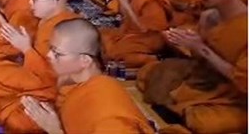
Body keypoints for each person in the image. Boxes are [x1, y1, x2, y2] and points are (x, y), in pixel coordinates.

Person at [136, 0, 247, 134]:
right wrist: (185, 42)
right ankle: (179, 108)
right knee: (149, 73)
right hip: (202, 79)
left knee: (206, 124)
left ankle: (180, 110)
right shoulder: (208, 17)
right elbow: (198, 60)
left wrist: (200, 47)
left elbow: (244, 81)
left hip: (233, 94)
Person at [22, 19, 155, 134]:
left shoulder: (107, 114)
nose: (48, 55)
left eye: (57, 53)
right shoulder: (77, 83)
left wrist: (54, 130)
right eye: (50, 48)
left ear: (84, 60)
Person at [0, 0, 79, 132]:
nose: (29, 3)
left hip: (50, 87)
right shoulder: (43, 20)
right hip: (36, 75)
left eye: (35, 0)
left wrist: (26, 49)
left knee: (15, 116)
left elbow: (53, 75)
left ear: (53, 2)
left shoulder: (65, 30)